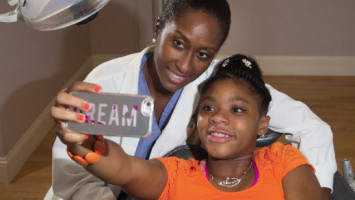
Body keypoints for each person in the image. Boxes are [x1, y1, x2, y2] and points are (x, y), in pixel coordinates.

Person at [50, 0, 336, 199]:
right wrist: (79, 141)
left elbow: (312, 127)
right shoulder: (103, 83)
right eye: (178, 43)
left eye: (203, 54)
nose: (185, 66)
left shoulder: (221, 83)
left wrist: (316, 187)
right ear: (158, 27)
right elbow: (87, 175)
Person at [57, 54, 324, 200]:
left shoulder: (282, 161)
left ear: (262, 125)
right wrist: (84, 143)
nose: (218, 117)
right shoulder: (178, 173)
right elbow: (125, 169)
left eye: (237, 109)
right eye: (208, 108)